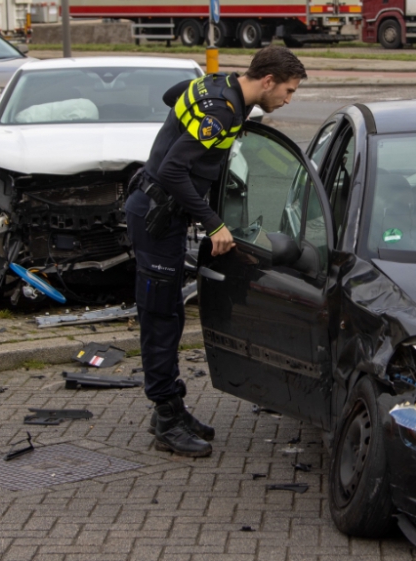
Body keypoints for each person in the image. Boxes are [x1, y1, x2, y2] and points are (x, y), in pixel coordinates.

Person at [125, 45, 307, 457]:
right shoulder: (224, 110)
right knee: (159, 318)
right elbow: (172, 168)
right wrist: (214, 224)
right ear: (267, 81)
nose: (288, 99)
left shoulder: (217, 87)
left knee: (170, 313)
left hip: (157, 213)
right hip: (156, 219)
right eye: (288, 91)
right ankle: (165, 419)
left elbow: (173, 96)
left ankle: (171, 405)